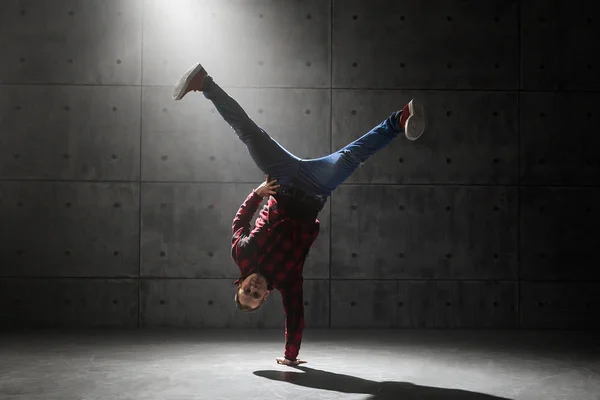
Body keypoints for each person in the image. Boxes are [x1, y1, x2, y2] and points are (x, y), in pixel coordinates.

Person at [172, 62, 425, 366]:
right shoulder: (288, 281)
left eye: (246, 291)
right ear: (265, 297)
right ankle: (400, 119)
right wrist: (291, 357)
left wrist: (256, 194)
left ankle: (204, 83)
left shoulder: (241, 255)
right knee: (351, 156)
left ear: (240, 284)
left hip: (281, 180)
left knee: (248, 131)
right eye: (255, 295)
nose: (252, 289)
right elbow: (295, 315)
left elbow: (239, 223)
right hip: (316, 188)